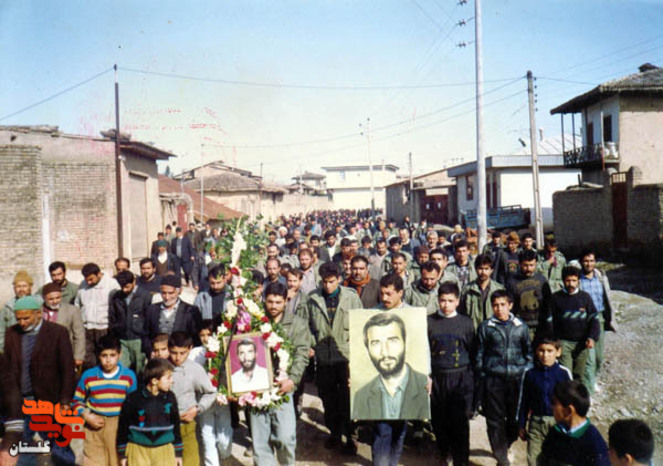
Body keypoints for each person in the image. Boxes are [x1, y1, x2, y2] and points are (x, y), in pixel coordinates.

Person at [354, 274, 430, 466]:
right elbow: (362, 350)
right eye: (382, 293)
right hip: (380, 381)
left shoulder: (412, 315)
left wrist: (426, 374)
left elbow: (422, 347)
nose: (385, 298)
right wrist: (357, 376)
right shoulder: (372, 313)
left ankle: (393, 462)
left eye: (389, 294)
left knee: (400, 429)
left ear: (400, 293)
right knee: (382, 428)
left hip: (405, 382)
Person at [4, 296, 76, 465]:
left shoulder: (57, 333)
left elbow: (67, 369)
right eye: (18, 319)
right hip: (22, 402)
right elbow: (8, 367)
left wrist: (65, 400)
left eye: (26, 318)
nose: (22, 322)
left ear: (38, 314)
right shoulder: (12, 333)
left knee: (59, 444)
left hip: (49, 400)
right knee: (23, 445)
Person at [250, 283, 311, 465]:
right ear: (264, 300)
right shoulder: (254, 322)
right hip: (257, 388)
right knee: (260, 443)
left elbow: (301, 354)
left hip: (283, 388)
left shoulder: (298, 324)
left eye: (278, 302)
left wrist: (293, 379)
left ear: (286, 301)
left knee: (286, 437)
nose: (274, 306)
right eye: (270, 302)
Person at [307, 261, 363, 453]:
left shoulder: (351, 298)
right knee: (328, 399)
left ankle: (351, 436)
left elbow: (360, 324)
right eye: (324, 282)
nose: (328, 285)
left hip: (346, 358)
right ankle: (335, 433)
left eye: (331, 281)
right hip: (324, 359)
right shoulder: (313, 298)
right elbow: (306, 326)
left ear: (339, 279)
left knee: (348, 398)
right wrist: (312, 344)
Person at [476, 290, 532, 466]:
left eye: (502, 305)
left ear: (510, 305)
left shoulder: (521, 327)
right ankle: (501, 457)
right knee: (494, 420)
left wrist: (525, 373)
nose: (499, 309)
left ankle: (506, 445)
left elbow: (528, 354)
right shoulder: (486, 327)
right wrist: (483, 377)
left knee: (514, 419)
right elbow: (479, 355)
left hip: (516, 380)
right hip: (494, 380)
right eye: (495, 305)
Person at [427, 282, 475, 466]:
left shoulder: (466, 323)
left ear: (457, 301)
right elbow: (424, 351)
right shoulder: (429, 322)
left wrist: (470, 379)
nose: (446, 304)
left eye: (450, 300)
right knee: (439, 420)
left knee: (460, 422)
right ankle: (444, 452)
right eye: (442, 300)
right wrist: (428, 375)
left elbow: (472, 350)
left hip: (460, 377)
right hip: (438, 377)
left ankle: (461, 460)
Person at [72, 334, 137, 466]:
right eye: (104, 355)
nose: (108, 360)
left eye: (112, 355)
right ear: (98, 356)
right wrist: (86, 416)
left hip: (119, 426)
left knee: (117, 462)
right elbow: (76, 401)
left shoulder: (128, 376)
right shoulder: (89, 376)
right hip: (94, 426)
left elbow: (133, 405)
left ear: (120, 354)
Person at [541, 266, 600, 393]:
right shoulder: (556, 298)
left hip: (582, 343)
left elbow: (594, 319)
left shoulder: (585, 298)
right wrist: (554, 341)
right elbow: (549, 321)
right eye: (568, 281)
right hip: (564, 343)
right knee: (566, 374)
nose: (571, 284)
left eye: (574, 281)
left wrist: (592, 337)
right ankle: (566, 399)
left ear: (578, 281)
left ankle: (578, 399)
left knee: (580, 374)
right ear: (563, 281)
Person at [517, 335, 572, 465]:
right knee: (534, 460)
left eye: (550, 351)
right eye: (541, 350)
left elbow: (571, 401)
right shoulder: (530, 374)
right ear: (536, 352)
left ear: (558, 352)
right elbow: (524, 400)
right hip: (536, 423)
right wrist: (521, 424)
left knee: (559, 460)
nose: (545, 355)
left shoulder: (563, 373)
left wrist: (571, 424)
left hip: (558, 423)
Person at [117, 358, 183, 465]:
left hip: (164, 449)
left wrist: (178, 453)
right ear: (154, 381)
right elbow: (123, 426)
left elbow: (175, 425)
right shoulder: (133, 398)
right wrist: (122, 454)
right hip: (138, 450)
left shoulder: (170, 397)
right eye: (168, 377)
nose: (172, 381)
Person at [168, 332, 217, 466]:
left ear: (190, 349)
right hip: (165, 426)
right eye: (174, 353)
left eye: (182, 353)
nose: (178, 358)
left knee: (191, 462)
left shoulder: (195, 369)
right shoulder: (163, 367)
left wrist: (197, 408)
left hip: (186, 425)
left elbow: (210, 393)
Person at [539, 380, 610, 465]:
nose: (551, 407)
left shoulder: (594, 444)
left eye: (554, 403)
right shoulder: (554, 433)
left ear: (569, 410)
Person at [579, 249, 616, 392]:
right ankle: (588, 386)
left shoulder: (600, 278)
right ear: (581, 262)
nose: (589, 264)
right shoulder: (578, 280)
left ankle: (594, 377)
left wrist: (610, 317)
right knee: (589, 356)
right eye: (586, 261)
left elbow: (607, 298)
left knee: (599, 356)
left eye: (591, 261)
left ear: (595, 262)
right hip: (584, 320)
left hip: (599, 318)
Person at [76, 262, 121, 370]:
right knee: (88, 359)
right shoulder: (82, 285)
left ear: (99, 274)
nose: (89, 282)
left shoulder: (111, 284)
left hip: (104, 328)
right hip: (87, 328)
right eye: (87, 279)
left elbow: (117, 306)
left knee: (104, 357)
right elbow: (77, 304)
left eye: (91, 279)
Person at [109, 270, 152, 374]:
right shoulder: (116, 296)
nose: (124, 290)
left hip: (138, 340)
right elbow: (112, 316)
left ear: (134, 282)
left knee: (140, 370)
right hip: (122, 339)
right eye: (122, 287)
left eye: (127, 287)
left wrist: (145, 337)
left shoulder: (145, 295)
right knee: (121, 369)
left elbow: (149, 317)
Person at [145, 275, 203, 349]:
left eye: (171, 293)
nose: (167, 297)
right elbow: (145, 335)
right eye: (164, 293)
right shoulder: (151, 310)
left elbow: (195, 337)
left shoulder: (190, 311)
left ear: (179, 291)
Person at [506, 249, 552, 338]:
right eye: (525, 265)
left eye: (531, 265)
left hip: (540, 326)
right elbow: (510, 306)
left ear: (536, 264)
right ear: (520, 264)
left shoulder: (542, 280)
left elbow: (548, 303)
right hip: (520, 326)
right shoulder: (512, 282)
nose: (528, 269)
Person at [41, 282, 86, 370]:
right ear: (44, 298)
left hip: (65, 353)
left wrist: (78, 356)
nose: (55, 301)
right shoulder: (38, 311)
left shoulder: (72, 310)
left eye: (58, 298)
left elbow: (79, 335)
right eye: (51, 299)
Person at [459, 253, 504, 330]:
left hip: (493, 331)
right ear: (476, 269)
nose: (483, 272)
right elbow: (461, 313)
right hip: (472, 331)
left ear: (491, 270)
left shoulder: (499, 289)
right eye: (480, 268)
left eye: (486, 269)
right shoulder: (467, 290)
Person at [1, 270, 39, 353]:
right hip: (15, 347)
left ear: (30, 286)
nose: (21, 289)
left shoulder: (39, 303)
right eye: (18, 286)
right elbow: (1, 331)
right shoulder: (8, 307)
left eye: (24, 286)